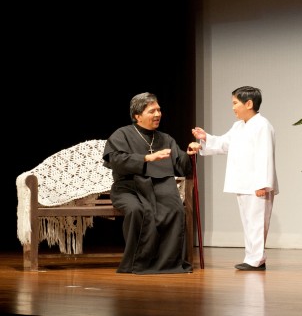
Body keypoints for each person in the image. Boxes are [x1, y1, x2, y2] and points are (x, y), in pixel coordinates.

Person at [103, 92, 201, 274]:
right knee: (136, 211)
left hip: (161, 187)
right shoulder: (122, 134)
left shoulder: (166, 139)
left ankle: (168, 263)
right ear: (137, 116)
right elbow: (116, 160)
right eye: (152, 111)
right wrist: (147, 158)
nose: (158, 114)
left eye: (159, 110)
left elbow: (183, 167)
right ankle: (136, 263)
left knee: (176, 210)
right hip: (128, 187)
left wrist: (190, 152)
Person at [192, 86, 278, 271]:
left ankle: (257, 259)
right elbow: (225, 144)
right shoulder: (239, 126)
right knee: (249, 222)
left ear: (249, 103)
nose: (233, 107)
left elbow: (265, 155)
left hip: (257, 183)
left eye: (235, 103)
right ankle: (252, 257)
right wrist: (205, 138)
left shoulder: (262, 125)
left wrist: (263, 183)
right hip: (243, 181)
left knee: (257, 222)